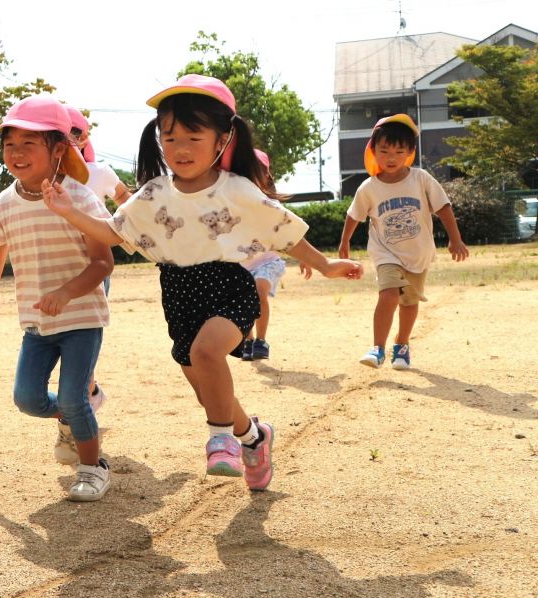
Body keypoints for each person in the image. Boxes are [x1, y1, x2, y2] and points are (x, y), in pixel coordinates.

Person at [43, 75, 363, 491]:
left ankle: (220, 439)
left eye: (194, 136)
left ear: (222, 140)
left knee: (208, 352)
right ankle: (253, 437)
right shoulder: (153, 193)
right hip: (178, 293)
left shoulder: (238, 189)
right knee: (211, 390)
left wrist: (324, 266)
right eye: (170, 138)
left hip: (229, 287)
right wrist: (69, 212)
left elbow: (282, 231)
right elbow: (113, 232)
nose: (181, 148)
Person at [0, 95, 115, 502]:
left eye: (27, 144)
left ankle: (92, 467)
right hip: (36, 324)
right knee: (27, 399)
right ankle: (79, 411)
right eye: (9, 145)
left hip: (82, 319)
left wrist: (67, 292)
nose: (15, 153)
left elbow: (103, 263)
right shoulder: (3, 204)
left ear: (57, 149)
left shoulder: (81, 199)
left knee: (71, 395)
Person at [339, 113, 469, 370]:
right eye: (384, 150)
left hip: (417, 254)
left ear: (409, 152)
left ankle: (402, 344)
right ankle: (377, 348)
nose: (391, 157)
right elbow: (353, 215)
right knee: (388, 293)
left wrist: (456, 239)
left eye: (399, 151)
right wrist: (345, 243)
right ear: (373, 151)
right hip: (385, 252)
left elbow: (443, 207)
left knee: (409, 303)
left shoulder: (420, 179)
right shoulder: (369, 187)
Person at [63, 104, 130, 412]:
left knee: (83, 335)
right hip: (56, 268)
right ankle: (89, 390)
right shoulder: (41, 177)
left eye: (70, 133)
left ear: (82, 136)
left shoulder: (99, 172)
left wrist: (120, 230)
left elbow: (126, 200)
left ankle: (83, 396)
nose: (64, 139)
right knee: (62, 339)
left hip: (94, 267)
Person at [239, 149, 312, 361]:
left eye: (255, 173)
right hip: (241, 266)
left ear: (265, 177)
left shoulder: (273, 207)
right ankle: (248, 339)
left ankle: (261, 341)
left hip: (268, 263)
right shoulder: (233, 204)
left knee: (260, 292)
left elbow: (293, 234)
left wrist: (305, 257)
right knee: (244, 303)